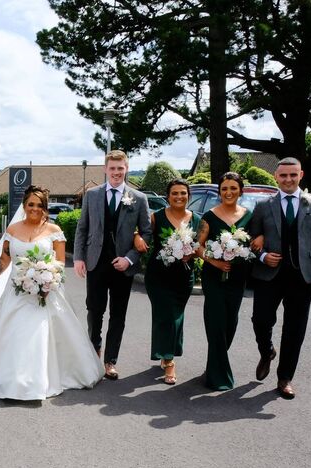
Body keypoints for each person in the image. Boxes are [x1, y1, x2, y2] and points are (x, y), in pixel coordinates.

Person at [0, 186, 103, 400]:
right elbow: (4, 261)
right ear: (24, 206)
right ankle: (13, 379)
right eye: (31, 204)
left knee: (41, 333)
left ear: (45, 207)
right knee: (15, 333)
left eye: (39, 205)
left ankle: (42, 379)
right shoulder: (12, 230)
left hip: (47, 292)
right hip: (17, 293)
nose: (35, 209)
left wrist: (47, 280)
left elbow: (60, 263)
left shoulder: (54, 230)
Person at [248, 157, 311, 399]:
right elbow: (250, 238)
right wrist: (263, 255)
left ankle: (285, 377)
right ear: (276, 177)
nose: (288, 179)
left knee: (295, 329)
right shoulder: (263, 205)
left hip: (302, 275)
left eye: (293, 175)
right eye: (283, 175)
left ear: (301, 175)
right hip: (269, 274)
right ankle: (267, 351)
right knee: (260, 320)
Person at [73, 150, 152, 380]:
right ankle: (93, 353)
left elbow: (146, 233)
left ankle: (110, 361)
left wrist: (129, 259)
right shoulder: (92, 195)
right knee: (94, 311)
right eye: (112, 168)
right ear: (105, 169)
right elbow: (82, 228)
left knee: (118, 315)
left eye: (120, 168)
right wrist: (78, 258)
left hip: (122, 267)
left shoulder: (139, 198)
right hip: (96, 263)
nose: (116, 172)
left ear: (126, 169)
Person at [196, 172, 253, 391]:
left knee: (231, 322)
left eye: (233, 188)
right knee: (216, 321)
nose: (229, 192)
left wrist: (259, 239)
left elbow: (256, 239)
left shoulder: (249, 215)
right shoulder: (209, 216)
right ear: (219, 192)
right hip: (214, 276)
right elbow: (197, 246)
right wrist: (215, 262)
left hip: (238, 277)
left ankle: (214, 363)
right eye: (224, 189)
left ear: (241, 191)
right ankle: (217, 375)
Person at [141, 179, 200, 385]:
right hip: (158, 276)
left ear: (189, 196)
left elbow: (201, 246)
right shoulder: (156, 217)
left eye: (183, 193)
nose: (179, 196)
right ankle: (169, 360)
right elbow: (144, 234)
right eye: (175, 193)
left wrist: (192, 253)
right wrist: (137, 237)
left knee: (175, 316)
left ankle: (165, 351)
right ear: (168, 196)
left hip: (184, 276)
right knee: (164, 315)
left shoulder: (197, 219)